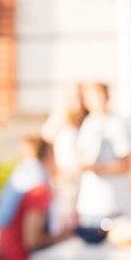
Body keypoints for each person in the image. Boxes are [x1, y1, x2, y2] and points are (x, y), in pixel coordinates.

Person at [75, 82, 131, 226]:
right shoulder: (87, 123)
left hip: (113, 204)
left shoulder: (117, 123)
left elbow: (125, 165)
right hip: (90, 205)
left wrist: (96, 168)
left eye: (98, 95)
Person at [40, 83, 87, 220]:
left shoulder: (86, 121)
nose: (77, 101)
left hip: (83, 179)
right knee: (65, 216)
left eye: (80, 96)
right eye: (73, 97)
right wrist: (56, 172)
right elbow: (45, 146)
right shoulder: (59, 119)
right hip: (64, 180)